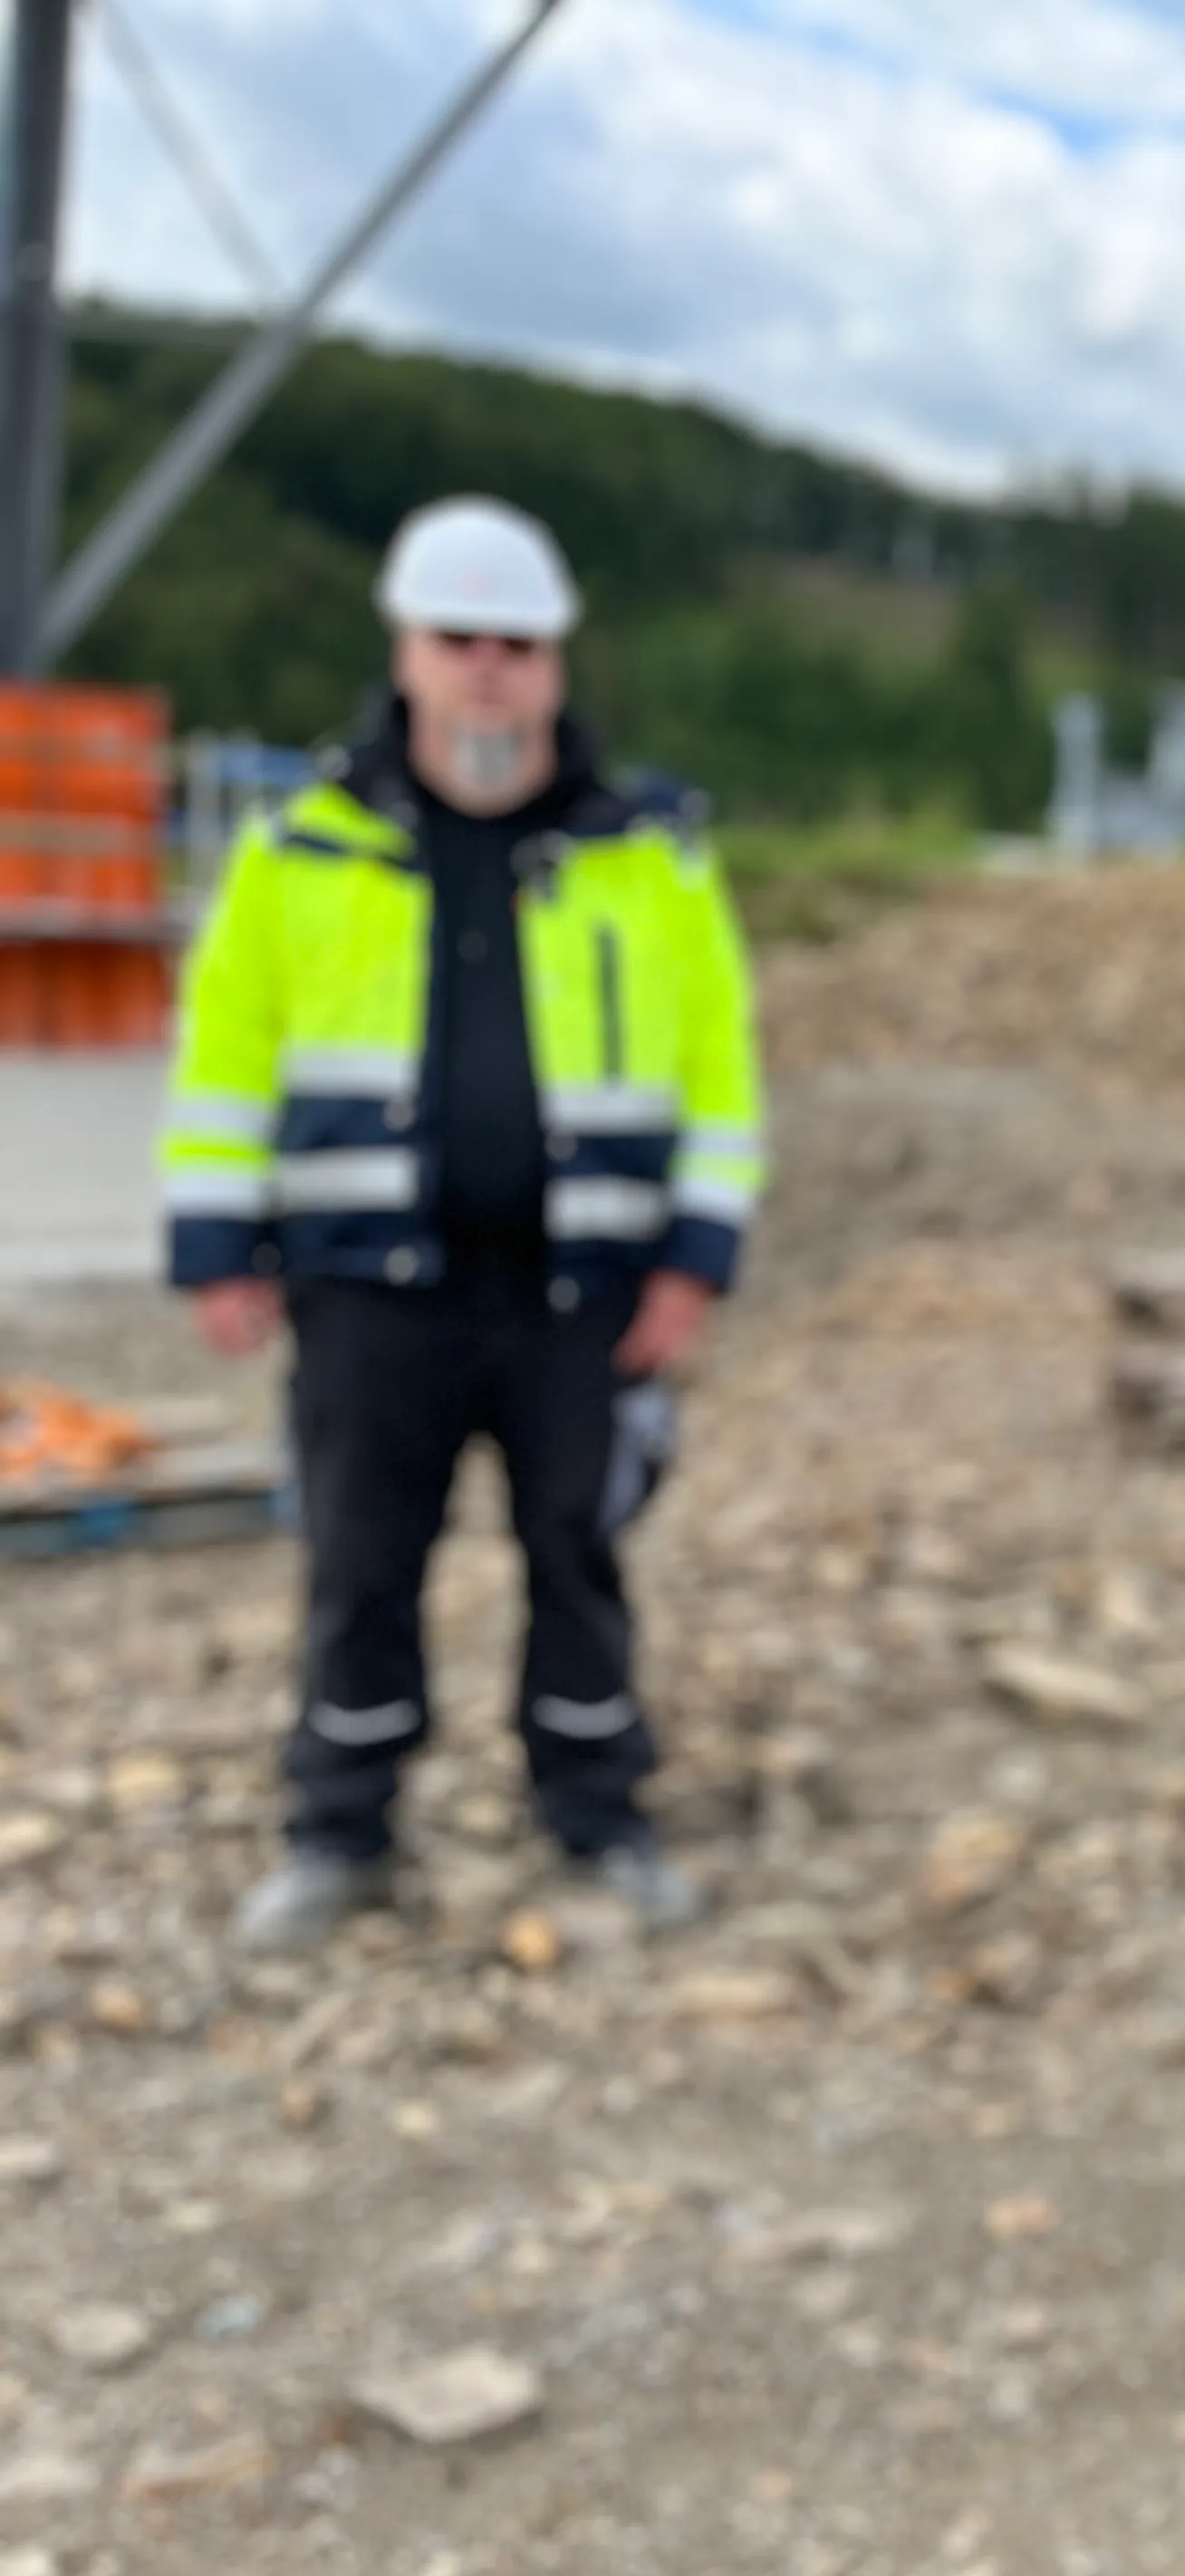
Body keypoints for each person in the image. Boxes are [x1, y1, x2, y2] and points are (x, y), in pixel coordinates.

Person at [163, 495, 767, 1956]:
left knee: (582, 1551)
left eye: (519, 642)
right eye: (460, 638)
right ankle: (340, 1831)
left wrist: (695, 1262)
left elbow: (721, 1068)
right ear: (406, 651)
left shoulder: (651, 854)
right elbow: (228, 1048)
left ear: (557, 662)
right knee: (362, 1560)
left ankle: (600, 1813)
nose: (490, 667)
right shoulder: (303, 850)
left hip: (583, 1290)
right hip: (370, 1289)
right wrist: (213, 1239)